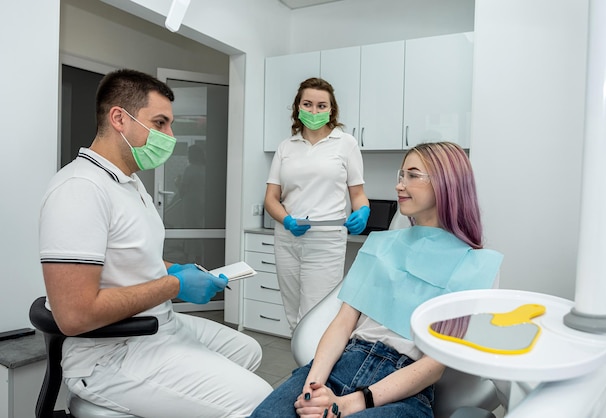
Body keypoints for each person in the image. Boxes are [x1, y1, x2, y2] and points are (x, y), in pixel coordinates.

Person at [39, 69, 272, 417]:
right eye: (160, 123)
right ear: (119, 118)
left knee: (247, 350)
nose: (170, 135)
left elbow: (133, 256)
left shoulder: (130, 185)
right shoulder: (79, 190)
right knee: (259, 399)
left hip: (159, 325)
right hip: (110, 352)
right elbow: (74, 315)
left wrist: (176, 269)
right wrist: (174, 284)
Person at [251, 142, 503, 418]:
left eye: (412, 175)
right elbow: (342, 323)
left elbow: (435, 364)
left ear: (446, 184)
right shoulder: (380, 246)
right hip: (344, 363)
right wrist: (313, 388)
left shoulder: (476, 266)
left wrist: (348, 404)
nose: (399, 185)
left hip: (403, 390)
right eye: (400, 175)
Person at [264, 77, 370, 332]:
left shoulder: (346, 143)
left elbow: (358, 193)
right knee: (293, 314)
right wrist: (287, 220)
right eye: (308, 104)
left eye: (321, 106)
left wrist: (363, 210)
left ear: (331, 109)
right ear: (297, 107)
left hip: (326, 240)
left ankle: (316, 370)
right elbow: (270, 199)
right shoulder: (286, 147)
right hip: (288, 238)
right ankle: (303, 367)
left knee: (316, 314)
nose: (314, 111)